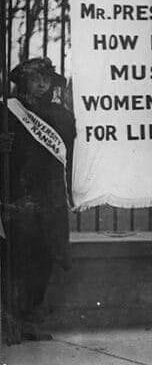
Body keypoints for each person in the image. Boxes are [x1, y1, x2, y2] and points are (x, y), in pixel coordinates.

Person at [0, 57, 73, 345]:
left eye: (46, 79)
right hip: (19, 197)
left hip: (50, 198)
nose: (42, 84)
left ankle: (30, 319)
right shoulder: (7, 110)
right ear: (23, 81)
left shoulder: (60, 115)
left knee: (45, 261)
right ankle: (11, 320)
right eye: (36, 78)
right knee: (17, 261)